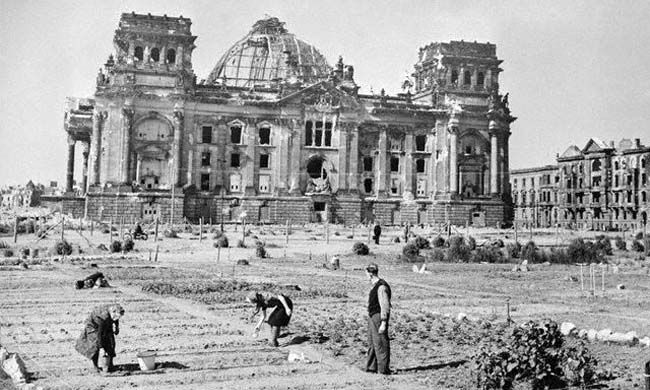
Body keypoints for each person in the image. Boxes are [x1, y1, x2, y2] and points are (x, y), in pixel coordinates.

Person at [75, 304, 124, 373]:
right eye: (116, 316)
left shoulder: (113, 313)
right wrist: (101, 348)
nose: (117, 318)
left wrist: (116, 327)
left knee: (111, 342)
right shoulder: (103, 317)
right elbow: (100, 334)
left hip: (106, 323)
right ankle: (95, 366)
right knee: (95, 344)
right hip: (93, 326)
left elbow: (115, 319)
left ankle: (110, 364)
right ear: (113, 312)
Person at [365, 263, 391, 375]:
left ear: (370, 273)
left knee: (380, 343)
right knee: (372, 343)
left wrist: (383, 323)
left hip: (378, 317)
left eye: (366, 273)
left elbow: (385, 305)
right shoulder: (375, 285)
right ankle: (371, 367)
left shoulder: (381, 287)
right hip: (372, 316)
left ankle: (383, 370)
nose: (366, 276)